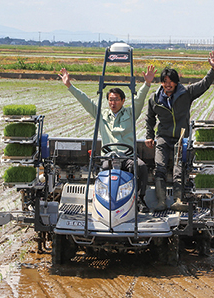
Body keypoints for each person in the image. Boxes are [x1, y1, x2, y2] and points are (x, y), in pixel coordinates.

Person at [59, 65, 157, 213]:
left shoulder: (131, 114)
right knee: (103, 172)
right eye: (110, 100)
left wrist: (147, 83)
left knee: (141, 167)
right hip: (109, 158)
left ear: (123, 101)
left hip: (127, 157)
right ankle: (102, 203)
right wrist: (69, 85)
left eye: (116, 100)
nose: (113, 103)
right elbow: (85, 101)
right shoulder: (102, 115)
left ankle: (140, 199)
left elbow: (139, 99)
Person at [145, 51, 214, 211]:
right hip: (163, 138)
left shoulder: (186, 93)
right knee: (160, 167)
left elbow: (204, 84)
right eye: (165, 82)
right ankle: (161, 202)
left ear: (176, 82)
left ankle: (178, 200)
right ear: (162, 83)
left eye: (171, 81)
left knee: (179, 167)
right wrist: (149, 136)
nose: (168, 84)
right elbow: (150, 118)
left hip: (181, 138)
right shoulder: (155, 99)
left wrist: (213, 70)